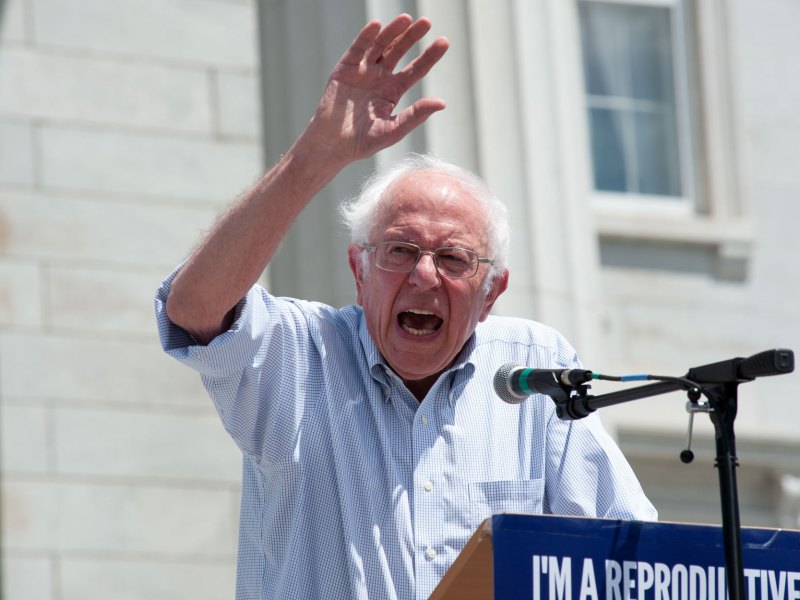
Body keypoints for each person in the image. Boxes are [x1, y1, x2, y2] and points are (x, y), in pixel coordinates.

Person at [155, 14, 656, 600]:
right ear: (358, 271)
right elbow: (193, 311)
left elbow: (634, 558)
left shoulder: (535, 368)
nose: (423, 275)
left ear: (492, 292)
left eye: (453, 258)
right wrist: (314, 158)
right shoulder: (300, 354)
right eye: (399, 250)